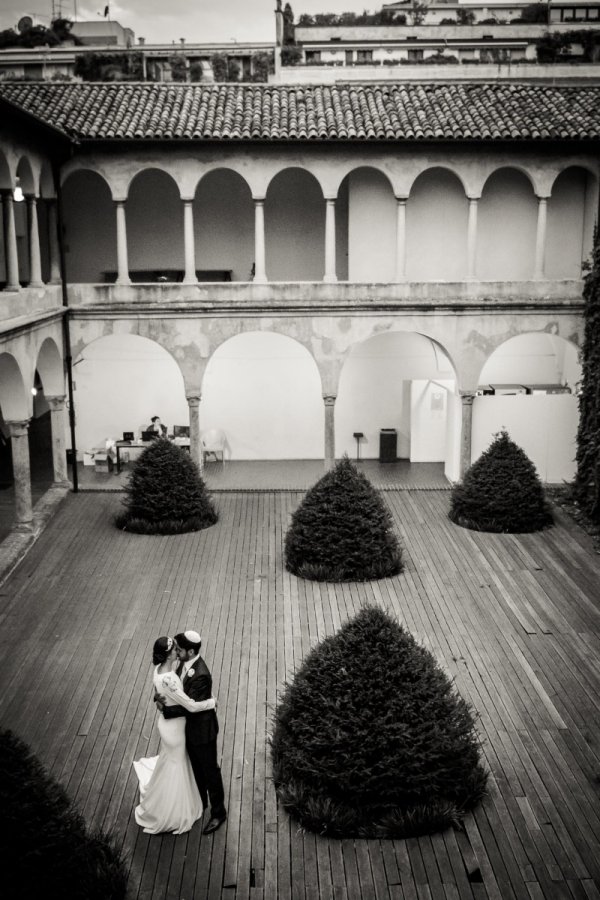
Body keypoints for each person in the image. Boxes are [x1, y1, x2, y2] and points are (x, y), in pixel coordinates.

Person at [133, 636, 216, 834]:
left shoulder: (160, 670)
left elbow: (159, 691)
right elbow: (190, 705)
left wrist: (159, 701)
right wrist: (212, 702)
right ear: (170, 654)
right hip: (175, 729)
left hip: (167, 724)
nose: (177, 651)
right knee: (177, 764)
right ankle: (173, 808)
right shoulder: (169, 678)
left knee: (172, 761)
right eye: (175, 649)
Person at [156, 630, 227, 835]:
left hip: (202, 732)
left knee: (210, 771)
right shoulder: (183, 664)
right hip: (187, 729)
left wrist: (166, 710)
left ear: (192, 651)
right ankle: (200, 803)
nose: (176, 652)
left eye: (180, 649)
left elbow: (190, 706)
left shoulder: (202, 675)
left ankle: (219, 813)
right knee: (195, 767)